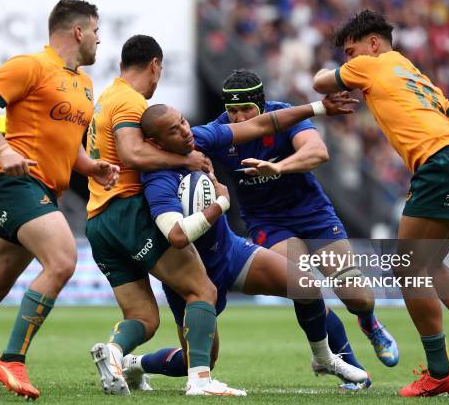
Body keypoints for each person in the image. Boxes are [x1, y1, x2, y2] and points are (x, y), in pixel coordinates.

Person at [0, 0, 119, 400]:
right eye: (96, 30)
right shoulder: (30, 65)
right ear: (78, 31)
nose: (101, 39)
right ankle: (11, 360)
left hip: (43, 190)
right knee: (63, 259)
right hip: (12, 184)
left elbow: (66, 145)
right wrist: (4, 148)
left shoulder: (84, 84)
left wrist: (91, 167)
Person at [313, 9, 449, 397]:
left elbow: (320, 81)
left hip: (441, 163)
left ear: (372, 43)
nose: (350, 62)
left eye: (351, 52)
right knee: (429, 265)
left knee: (408, 269)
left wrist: (342, 74)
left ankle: (447, 365)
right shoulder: (414, 73)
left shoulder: (372, 63)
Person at [119, 99, 371, 392]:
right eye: (174, 131)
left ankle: (324, 357)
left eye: (183, 122)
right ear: (156, 143)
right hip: (189, 277)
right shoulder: (157, 179)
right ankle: (134, 365)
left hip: (231, 253)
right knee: (200, 362)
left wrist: (317, 107)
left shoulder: (200, 137)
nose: (185, 132)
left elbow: (263, 123)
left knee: (304, 284)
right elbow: (176, 236)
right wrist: (221, 203)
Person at [85, 34, 246, 397]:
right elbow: (132, 155)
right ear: (155, 65)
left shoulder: (105, 98)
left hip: (99, 221)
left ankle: (113, 352)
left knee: (143, 318)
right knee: (202, 289)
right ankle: (201, 381)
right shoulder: (130, 101)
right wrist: (185, 160)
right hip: (127, 211)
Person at [208, 70, 399, 374]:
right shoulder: (219, 131)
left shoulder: (283, 114)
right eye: (232, 110)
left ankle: (370, 323)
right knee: (304, 286)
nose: (239, 117)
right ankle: (348, 364)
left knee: (357, 296)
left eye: (247, 109)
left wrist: (278, 167)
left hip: (312, 213)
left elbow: (317, 151)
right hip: (267, 222)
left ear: (262, 105)